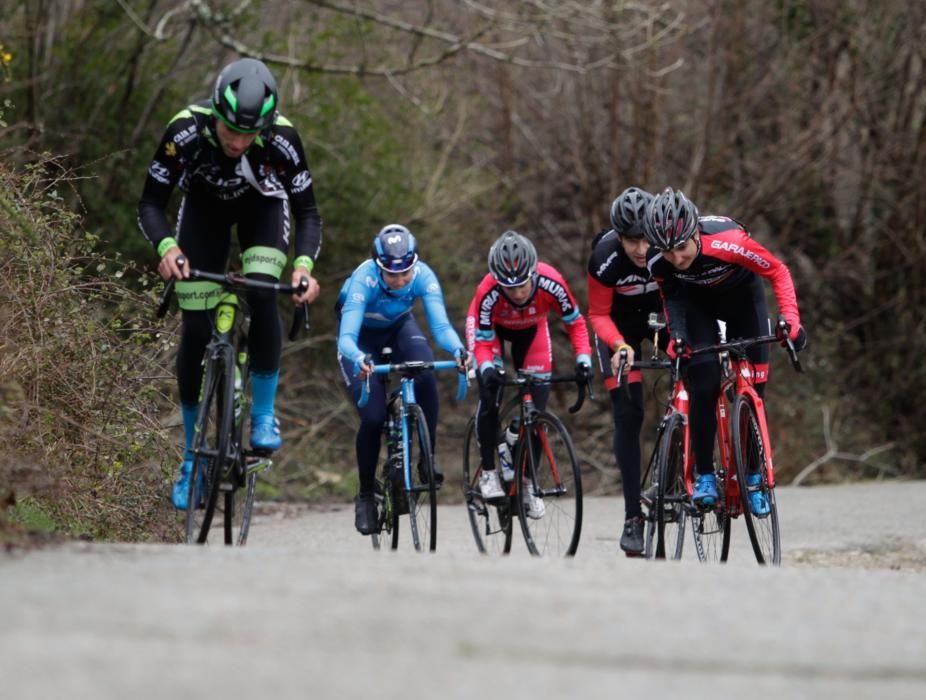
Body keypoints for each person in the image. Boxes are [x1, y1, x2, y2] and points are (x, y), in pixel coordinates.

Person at [137, 57, 322, 510]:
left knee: (262, 289)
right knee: (196, 331)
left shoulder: (282, 139)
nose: (238, 142)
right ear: (216, 114)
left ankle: (262, 416)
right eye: (229, 131)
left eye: (248, 134)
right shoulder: (184, 131)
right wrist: (166, 249)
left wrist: (301, 267)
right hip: (203, 213)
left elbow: (308, 213)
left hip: (263, 211)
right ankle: (191, 461)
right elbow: (150, 205)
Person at [643, 188, 807, 515]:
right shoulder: (658, 262)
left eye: (681, 247)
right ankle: (704, 475)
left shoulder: (729, 242)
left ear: (694, 234)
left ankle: (753, 475)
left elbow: (778, 271)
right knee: (703, 383)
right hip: (698, 306)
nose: (677, 259)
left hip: (743, 300)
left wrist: (791, 319)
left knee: (754, 386)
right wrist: (677, 337)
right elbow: (672, 299)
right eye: (667, 252)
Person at [337, 224, 469, 535]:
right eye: (391, 274)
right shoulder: (363, 280)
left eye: (405, 273)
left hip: (399, 328)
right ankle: (366, 495)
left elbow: (441, 327)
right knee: (372, 419)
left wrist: (459, 349)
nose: (399, 280)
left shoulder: (423, 275)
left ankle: (426, 455)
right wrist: (359, 358)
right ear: (378, 266)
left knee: (424, 369)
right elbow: (346, 338)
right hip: (361, 340)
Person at [466, 230, 592, 517]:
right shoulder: (488, 291)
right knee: (491, 394)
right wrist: (487, 369)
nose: (518, 292)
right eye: (509, 288)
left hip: (532, 331)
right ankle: (488, 472)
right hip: (491, 333)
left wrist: (584, 360)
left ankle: (525, 482)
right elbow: (482, 343)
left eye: (523, 284)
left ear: (533, 273)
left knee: (535, 412)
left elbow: (576, 323)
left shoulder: (551, 282)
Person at [586, 187, 665, 555]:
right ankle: (633, 517)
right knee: (629, 413)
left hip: (660, 320)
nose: (640, 248)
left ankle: (691, 472)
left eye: (646, 238)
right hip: (619, 330)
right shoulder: (605, 257)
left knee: (700, 374)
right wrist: (619, 346)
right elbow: (598, 314)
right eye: (632, 240)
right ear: (618, 236)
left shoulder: (667, 245)